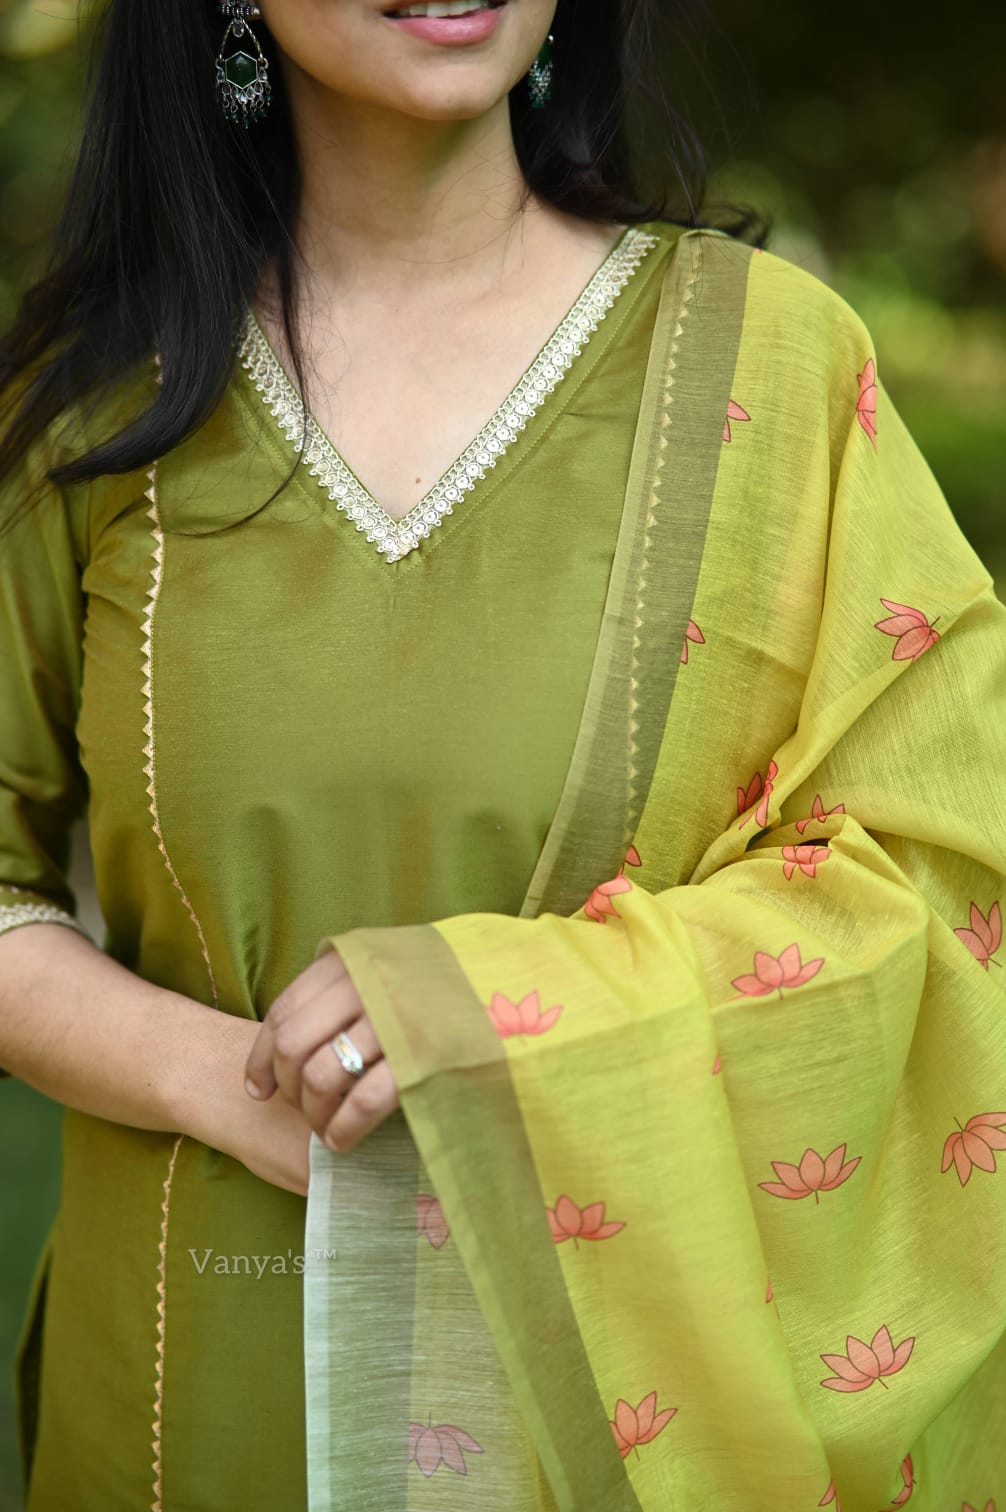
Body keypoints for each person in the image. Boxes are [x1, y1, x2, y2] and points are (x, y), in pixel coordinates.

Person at [1, 0, 1004, 1508]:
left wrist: (498, 1014)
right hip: (195, 1381)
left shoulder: (769, 366)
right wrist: (252, 1088)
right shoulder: (102, 397)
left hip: (623, 1409)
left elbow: (941, 877)